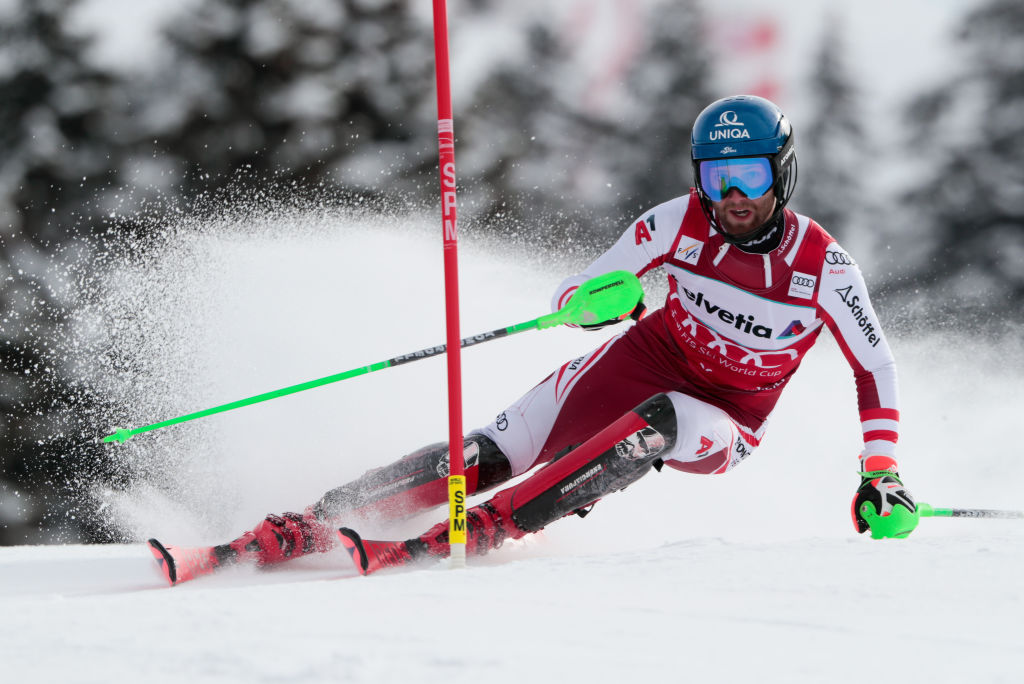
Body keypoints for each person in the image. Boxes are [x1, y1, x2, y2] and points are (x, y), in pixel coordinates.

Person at [148, 95, 918, 584]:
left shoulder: (824, 267)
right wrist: (589, 303)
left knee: (663, 421)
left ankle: (493, 526)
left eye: (748, 176)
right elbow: (577, 291)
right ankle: (303, 522)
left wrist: (879, 468)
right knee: (495, 447)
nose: (734, 198)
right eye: (717, 180)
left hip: (727, 418)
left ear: (782, 174)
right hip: (646, 357)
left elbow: (873, 365)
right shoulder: (675, 221)